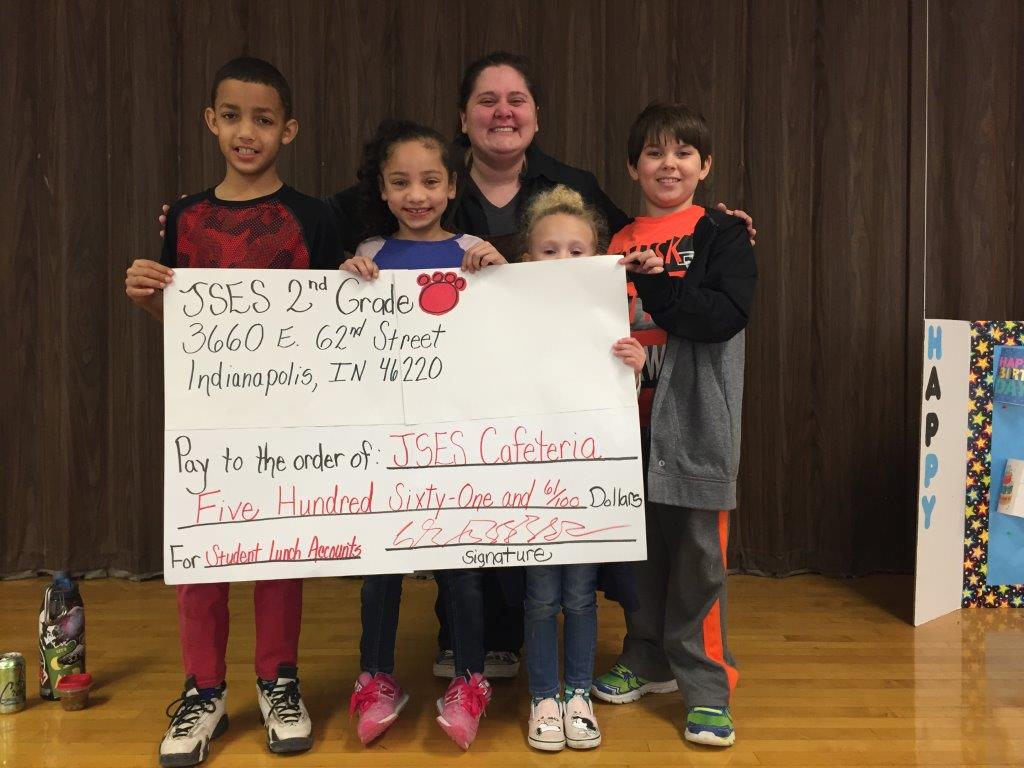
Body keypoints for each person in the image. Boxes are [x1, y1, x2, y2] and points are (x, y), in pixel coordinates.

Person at [125, 57, 341, 766]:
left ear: (290, 129)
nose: (247, 132)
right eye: (233, 116)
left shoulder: (314, 216)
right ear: (210, 121)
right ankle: (204, 689)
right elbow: (182, 325)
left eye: (264, 119)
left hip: (286, 416)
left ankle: (279, 678)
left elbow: (337, 320)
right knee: (202, 555)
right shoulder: (186, 215)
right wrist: (152, 299)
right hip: (205, 420)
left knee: (277, 552)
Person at [591, 102, 756, 749]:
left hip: (693, 427)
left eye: (683, 152)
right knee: (642, 557)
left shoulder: (723, 234)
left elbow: (723, 316)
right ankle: (649, 654)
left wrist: (660, 286)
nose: (669, 163)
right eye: (655, 153)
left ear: (705, 165)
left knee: (697, 558)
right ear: (633, 167)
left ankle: (709, 688)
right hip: (620, 426)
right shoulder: (613, 240)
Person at [341, 119, 505, 748]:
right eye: (401, 182)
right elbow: (342, 343)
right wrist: (345, 280)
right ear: (382, 190)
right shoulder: (371, 256)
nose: (417, 195)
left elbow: (513, 324)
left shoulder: (472, 249)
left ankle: (468, 679)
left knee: (462, 570)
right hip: (387, 445)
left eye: (430, 181)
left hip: (457, 441)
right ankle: (377, 676)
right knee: (379, 566)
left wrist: (499, 268)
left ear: (451, 185)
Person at [517, 186, 650, 752]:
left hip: (593, 479)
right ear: (528, 260)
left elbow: (637, 380)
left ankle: (578, 693)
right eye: (550, 251)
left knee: (580, 595)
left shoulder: (617, 311)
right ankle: (543, 695)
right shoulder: (513, 312)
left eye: (577, 250)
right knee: (542, 596)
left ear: (597, 257)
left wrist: (640, 365)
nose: (564, 260)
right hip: (533, 479)